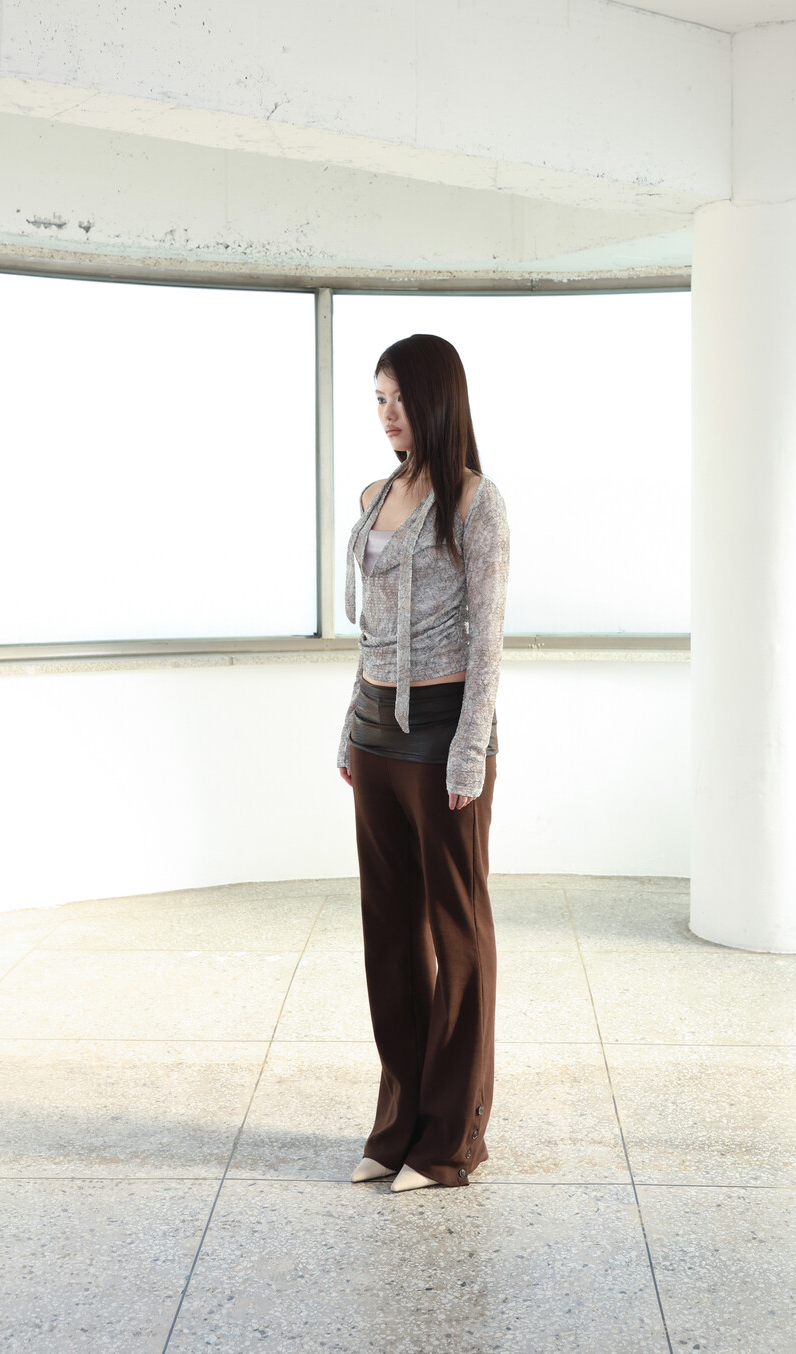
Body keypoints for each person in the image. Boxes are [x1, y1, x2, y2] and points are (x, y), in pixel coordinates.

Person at [337, 332, 511, 1192]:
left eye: (401, 397)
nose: (388, 413)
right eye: (379, 398)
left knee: (457, 932)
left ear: (439, 398)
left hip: (443, 733)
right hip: (375, 733)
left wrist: (468, 752)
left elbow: (488, 642)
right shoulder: (374, 497)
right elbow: (374, 630)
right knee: (391, 938)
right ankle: (397, 1125)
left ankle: (449, 1141)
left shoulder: (476, 503)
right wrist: (350, 727)